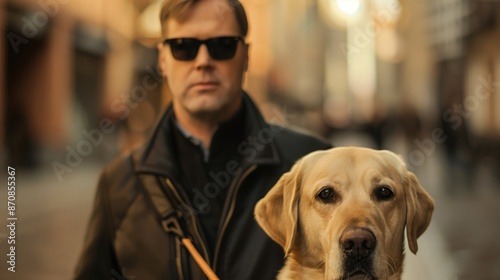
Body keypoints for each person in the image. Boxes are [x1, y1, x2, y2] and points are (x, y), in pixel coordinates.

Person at [73, 0, 331, 279]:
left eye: (222, 45)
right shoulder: (119, 185)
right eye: (183, 46)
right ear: (162, 58)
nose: (203, 61)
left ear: (245, 56)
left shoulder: (316, 165)